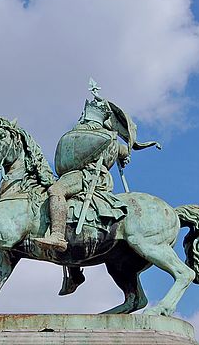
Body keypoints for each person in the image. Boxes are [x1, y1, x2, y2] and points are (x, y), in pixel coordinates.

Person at [35, 79, 159, 252]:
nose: (82, 119)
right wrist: (124, 156)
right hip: (88, 176)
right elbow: (124, 153)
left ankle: (57, 236)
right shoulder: (102, 138)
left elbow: (122, 153)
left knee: (56, 191)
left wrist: (123, 154)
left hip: (87, 177)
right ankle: (74, 271)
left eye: (85, 117)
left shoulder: (102, 137)